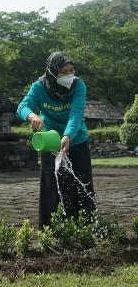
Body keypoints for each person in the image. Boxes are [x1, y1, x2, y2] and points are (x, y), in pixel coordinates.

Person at [17, 51, 96, 228]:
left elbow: (76, 114)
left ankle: (86, 228)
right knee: (52, 186)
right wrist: (32, 117)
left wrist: (68, 135)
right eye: (64, 72)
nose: (69, 75)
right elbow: (22, 107)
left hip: (76, 141)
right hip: (51, 142)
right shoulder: (39, 87)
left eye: (71, 70)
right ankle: (51, 229)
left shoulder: (78, 85)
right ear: (52, 72)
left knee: (81, 185)